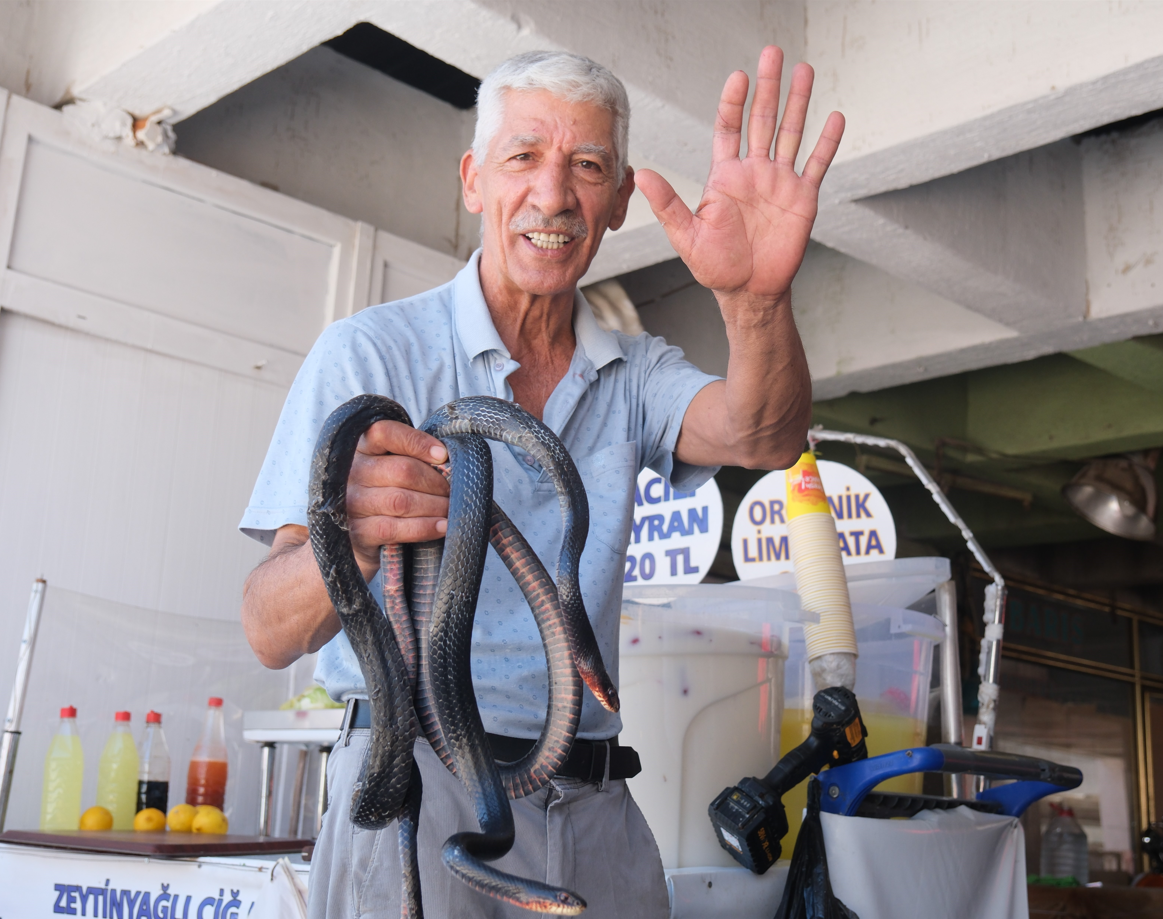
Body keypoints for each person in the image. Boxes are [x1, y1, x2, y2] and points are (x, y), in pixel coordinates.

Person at [240, 45, 843, 919]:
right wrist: (352, 536)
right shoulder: (370, 353)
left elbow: (763, 432)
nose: (554, 194)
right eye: (523, 156)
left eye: (587, 166)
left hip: (593, 802)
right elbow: (267, 630)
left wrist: (756, 302)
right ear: (474, 178)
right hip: (415, 787)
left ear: (621, 201)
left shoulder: (633, 373)